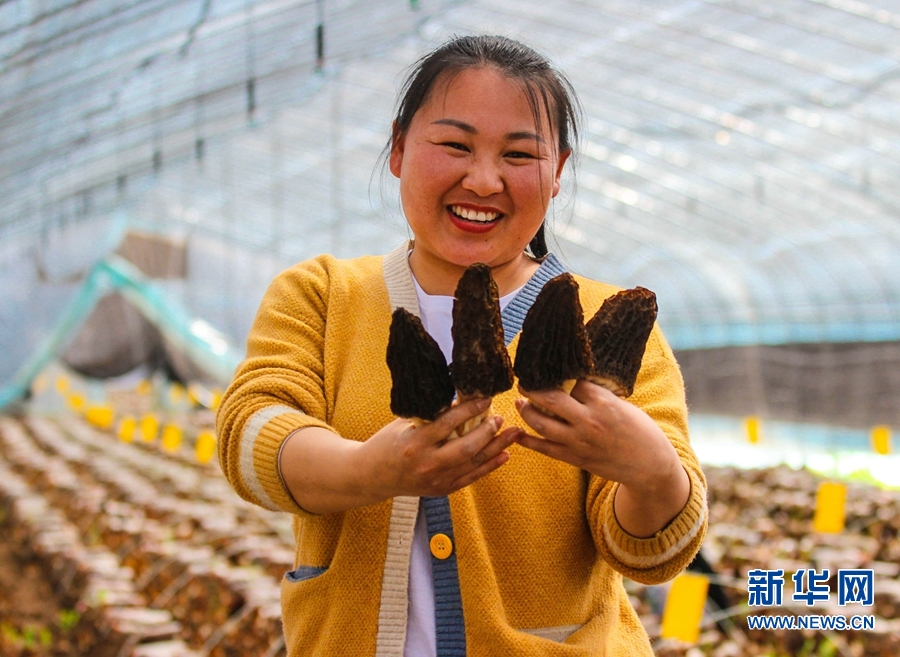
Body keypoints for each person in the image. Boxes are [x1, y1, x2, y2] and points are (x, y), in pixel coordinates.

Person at [216, 35, 707, 656]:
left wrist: (651, 470)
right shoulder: (322, 294)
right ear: (398, 149)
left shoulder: (601, 324)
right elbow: (250, 433)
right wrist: (372, 471)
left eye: (520, 155)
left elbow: (654, 553)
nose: (483, 179)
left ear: (557, 173)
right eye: (454, 145)